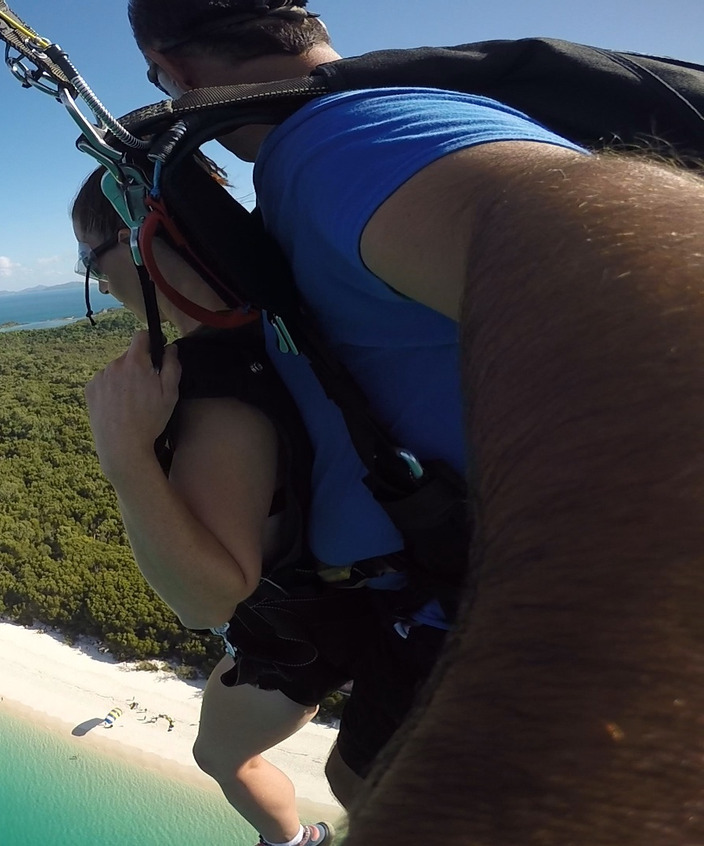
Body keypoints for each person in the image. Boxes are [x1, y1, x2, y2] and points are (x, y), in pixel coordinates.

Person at [126, 1, 704, 840]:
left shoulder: (343, 140)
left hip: (511, 625)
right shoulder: (335, 151)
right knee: (355, 776)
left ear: (172, 73)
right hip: (432, 601)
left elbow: (661, 284)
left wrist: (593, 700)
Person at [76, 167, 442, 846]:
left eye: (89, 260)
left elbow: (207, 599)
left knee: (223, 755)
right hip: (406, 579)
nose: (97, 283)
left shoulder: (212, 380)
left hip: (306, 624)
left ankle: (295, 843)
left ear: (136, 247)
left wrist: (124, 455)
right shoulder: (302, 306)